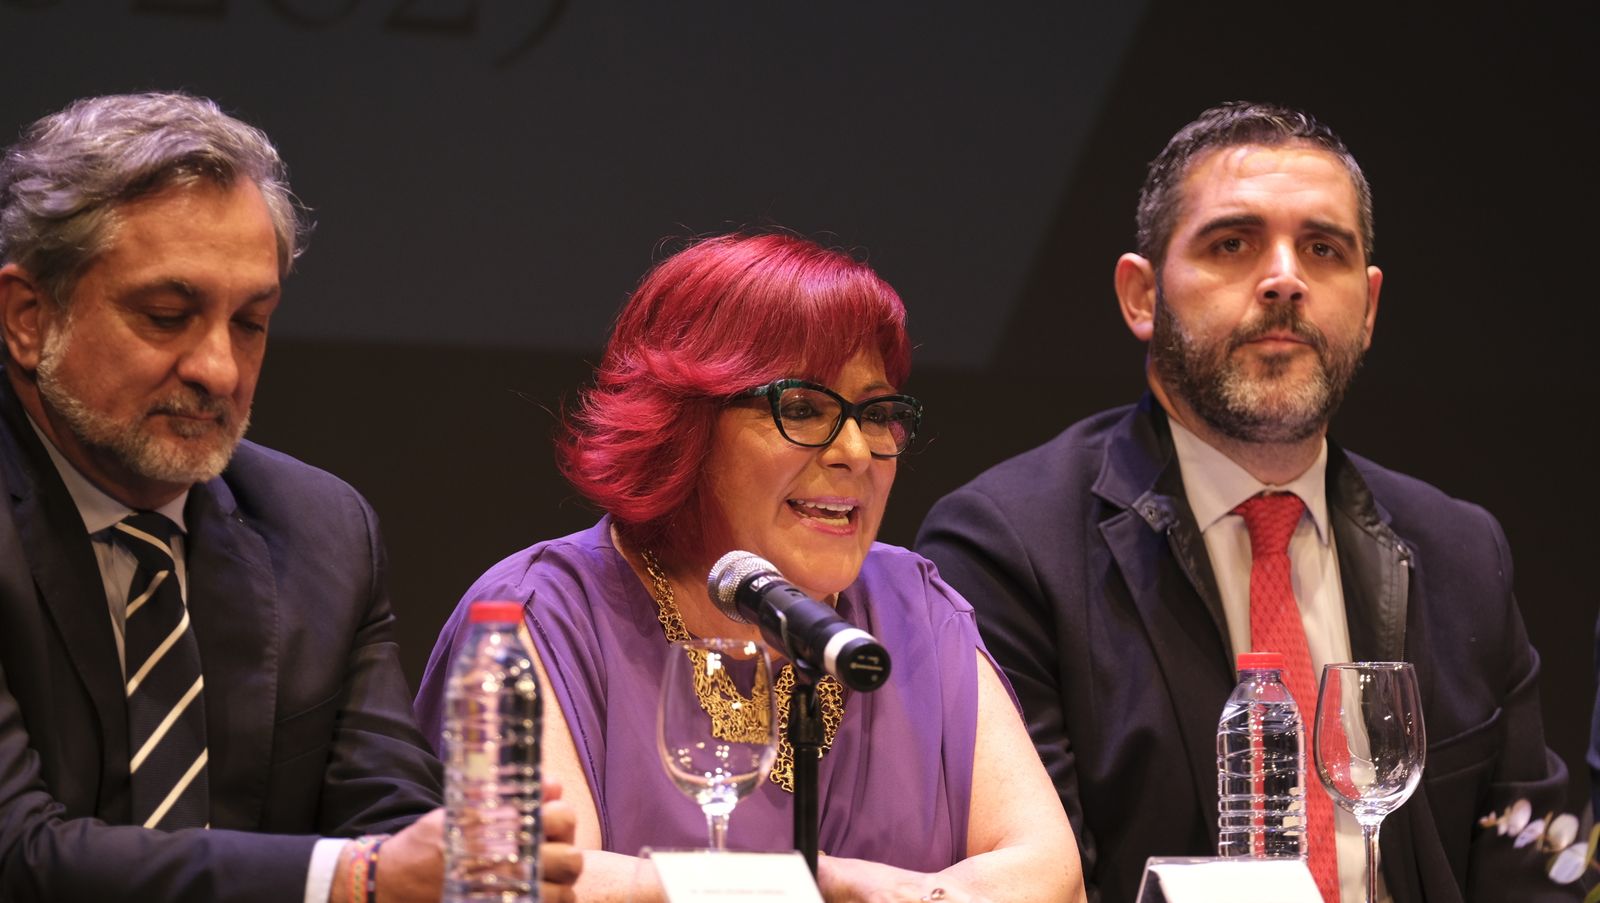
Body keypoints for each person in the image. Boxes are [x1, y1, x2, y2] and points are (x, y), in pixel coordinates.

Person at [915, 102, 1571, 903]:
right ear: (1141, 295)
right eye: (1233, 243)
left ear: (1367, 309)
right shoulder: (1009, 548)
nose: (1285, 278)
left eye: (1322, 249)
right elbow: (1042, 886)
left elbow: (1533, 873)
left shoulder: (1461, 550)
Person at [0, 92, 580, 903]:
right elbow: (16, 856)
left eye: (251, 322)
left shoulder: (319, 529)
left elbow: (391, 819)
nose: (220, 370)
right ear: (28, 318)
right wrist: (355, 877)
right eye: (168, 315)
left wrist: (454, 860)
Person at [414, 232, 1084, 903]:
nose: (856, 449)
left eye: (876, 414)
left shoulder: (914, 606)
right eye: (802, 409)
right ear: (684, 424)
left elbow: (1051, 877)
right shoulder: (539, 617)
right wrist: (818, 884)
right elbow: (531, 880)